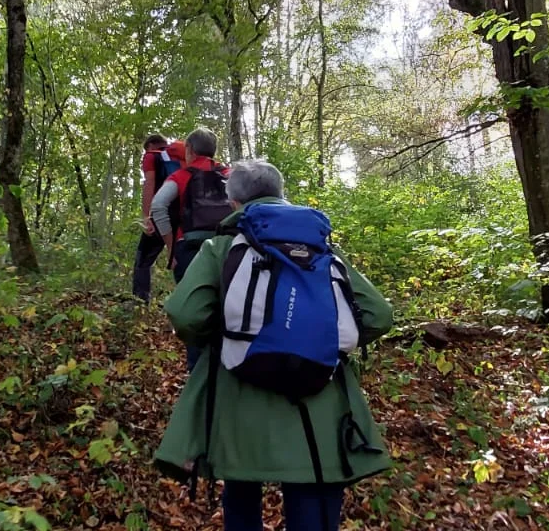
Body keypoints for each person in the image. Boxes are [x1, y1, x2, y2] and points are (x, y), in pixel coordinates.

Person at [153, 160, 393, 531]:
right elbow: (378, 315)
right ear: (282, 194)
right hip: (319, 401)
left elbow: (186, 315)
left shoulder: (221, 247)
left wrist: (230, 332)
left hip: (239, 394)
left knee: (240, 491)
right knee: (313, 495)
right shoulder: (322, 249)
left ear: (233, 202)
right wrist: (321, 338)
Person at [150, 127, 233, 368]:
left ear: (189, 150)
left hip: (190, 251)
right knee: (228, 309)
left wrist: (171, 247)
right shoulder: (230, 175)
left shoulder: (182, 176)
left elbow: (158, 206)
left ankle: (198, 373)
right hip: (227, 250)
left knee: (194, 314)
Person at [132, 133, 179, 302]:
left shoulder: (152, 156)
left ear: (151, 145)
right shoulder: (180, 158)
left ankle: (140, 302)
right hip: (183, 217)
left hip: (160, 214)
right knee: (181, 260)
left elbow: (149, 183)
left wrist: (147, 216)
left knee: (142, 261)